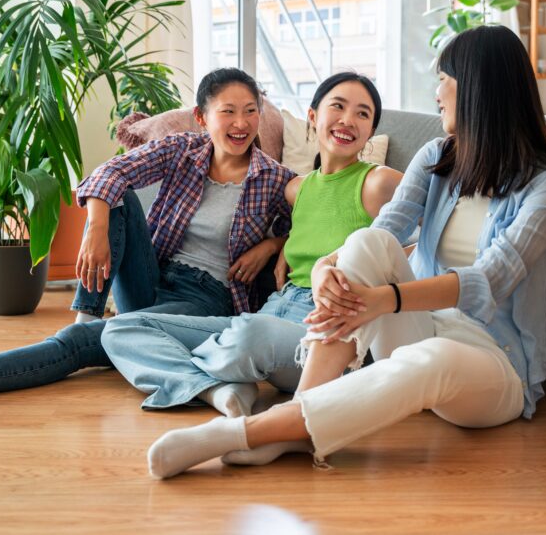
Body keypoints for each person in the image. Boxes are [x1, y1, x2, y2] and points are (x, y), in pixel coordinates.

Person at [144, 24, 546, 480]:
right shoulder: (436, 157)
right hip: (423, 327)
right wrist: (327, 266)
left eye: (445, 79)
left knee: (431, 359)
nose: (437, 93)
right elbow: (382, 233)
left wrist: (386, 300)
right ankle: (301, 418)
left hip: (492, 362)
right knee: (369, 242)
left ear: (478, 86)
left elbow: (490, 280)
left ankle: (250, 431)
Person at [0, 68, 295, 406]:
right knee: (117, 198)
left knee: (78, 346)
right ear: (201, 117)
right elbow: (109, 174)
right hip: (152, 278)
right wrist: (95, 228)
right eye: (228, 111)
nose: (241, 122)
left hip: (205, 301)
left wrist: (273, 244)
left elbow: (311, 226)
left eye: (250, 111)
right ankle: (87, 319)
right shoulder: (183, 150)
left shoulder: (274, 179)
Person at [98, 71, 410, 419]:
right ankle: (216, 388)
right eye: (338, 106)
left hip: (323, 329)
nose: (348, 120)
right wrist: (280, 243)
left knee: (247, 334)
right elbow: (316, 224)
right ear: (312, 116)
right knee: (121, 328)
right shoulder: (296, 189)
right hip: (271, 314)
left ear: (370, 130)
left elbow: (435, 235)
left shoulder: (378, 181)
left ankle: (222, 368)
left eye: (362, 114)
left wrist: (378, 278)